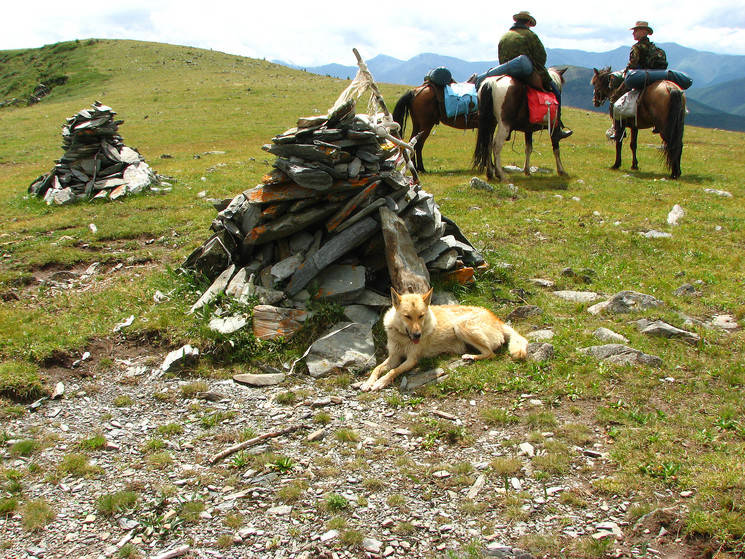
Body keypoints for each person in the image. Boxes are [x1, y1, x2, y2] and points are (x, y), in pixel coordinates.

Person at [498, 11, 572, 139]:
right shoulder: (530, 36)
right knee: (556, 92)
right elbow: (541, 57)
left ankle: (507, 130)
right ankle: (557, 129)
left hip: (506, 72)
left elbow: (500, 57)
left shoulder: (504, 37)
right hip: (526, 73)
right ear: (528, 22)